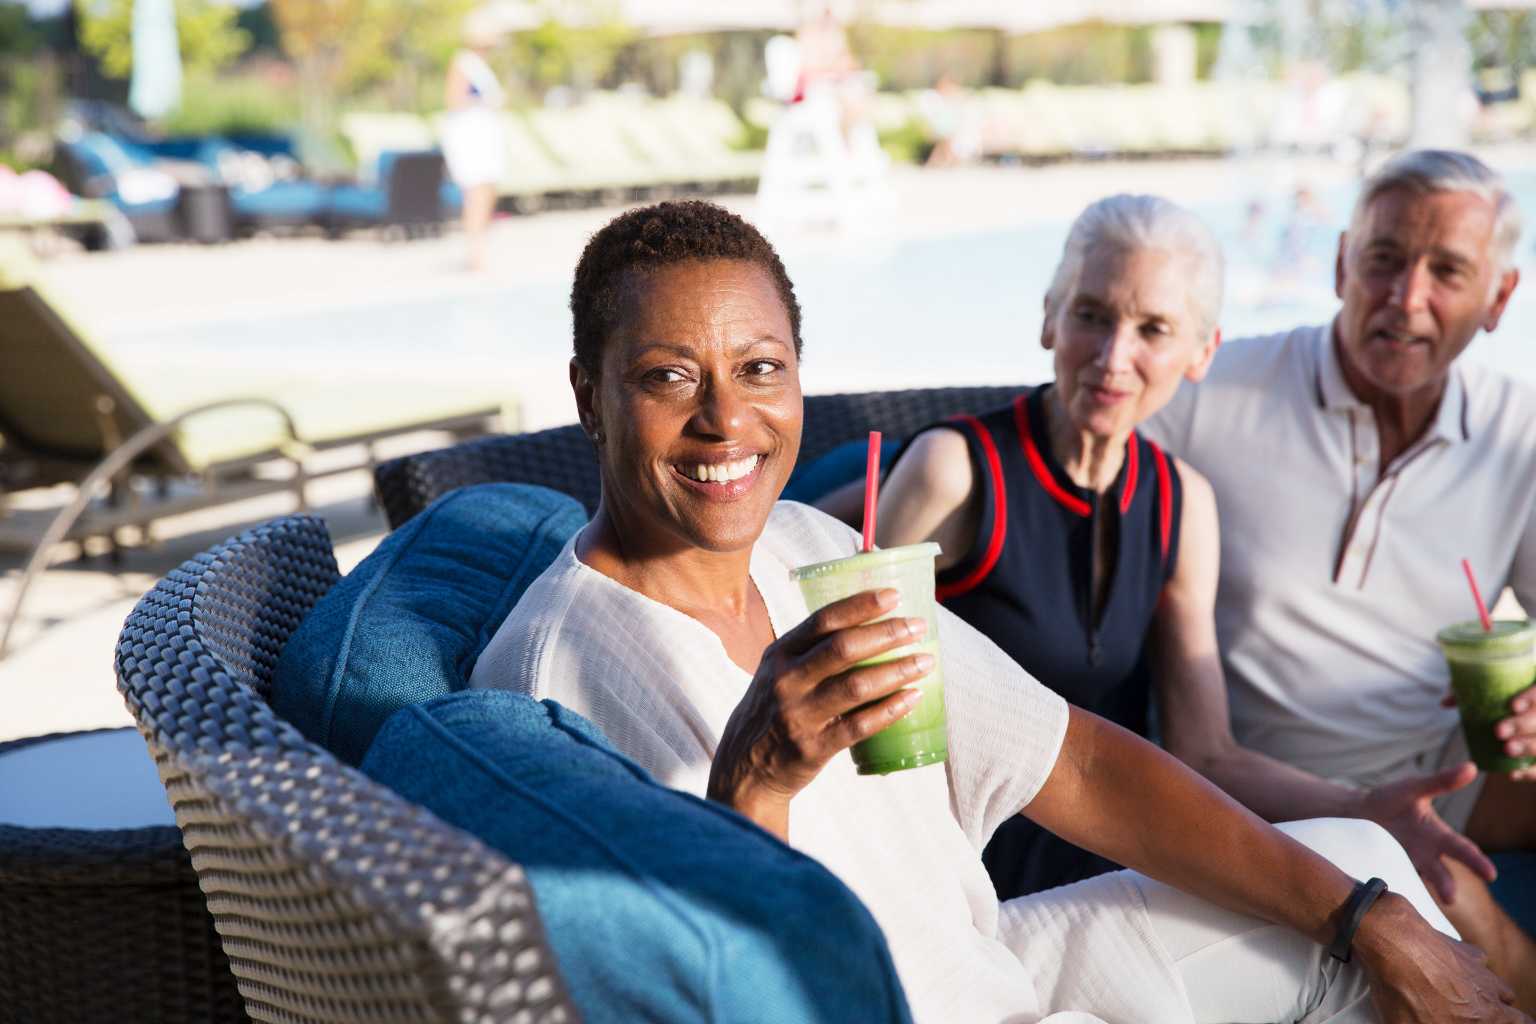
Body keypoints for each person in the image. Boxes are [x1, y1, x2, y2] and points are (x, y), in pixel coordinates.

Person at [469, 199, 1524, 1024]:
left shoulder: (815, 548)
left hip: (995, 956)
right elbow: (687, 989)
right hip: (881, 1004)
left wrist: (1364, 917)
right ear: (586, 392)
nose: (725, 418)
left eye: (759, 369)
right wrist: (752, 792)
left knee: (1376, 880)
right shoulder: (544, 683)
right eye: (666, 376)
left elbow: (1079, 764)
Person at [1139, 148, 1536, 1009]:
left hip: (1438, 782)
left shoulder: (1520, 437)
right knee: (1489, 966)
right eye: (1384, 260)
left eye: (1448, 272)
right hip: (1252, 796)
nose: (1405, 298)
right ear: (1339, 264)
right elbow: (1046, 438)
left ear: (1499, 299)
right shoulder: (1212, 388)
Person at [848, 194, 1228, 898]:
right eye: (1092, 315)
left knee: (1364, 858)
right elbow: (857, 712)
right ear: (1050, 317)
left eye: (1153, 329)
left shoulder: (1184, 504)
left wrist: (1362, 803)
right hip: (964, 886)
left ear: (1202, 351)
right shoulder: (953, 472)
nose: (1115, 357)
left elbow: (1206, 753)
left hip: (1122, 876)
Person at [441, 13, 506, 272]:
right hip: (469, 137)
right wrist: (485, 102)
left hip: (485, 136)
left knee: (487, 191)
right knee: (475, 194)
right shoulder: (463, 63)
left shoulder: (481, 65)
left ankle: (480, 247)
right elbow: (453, 100)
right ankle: (474, 253)